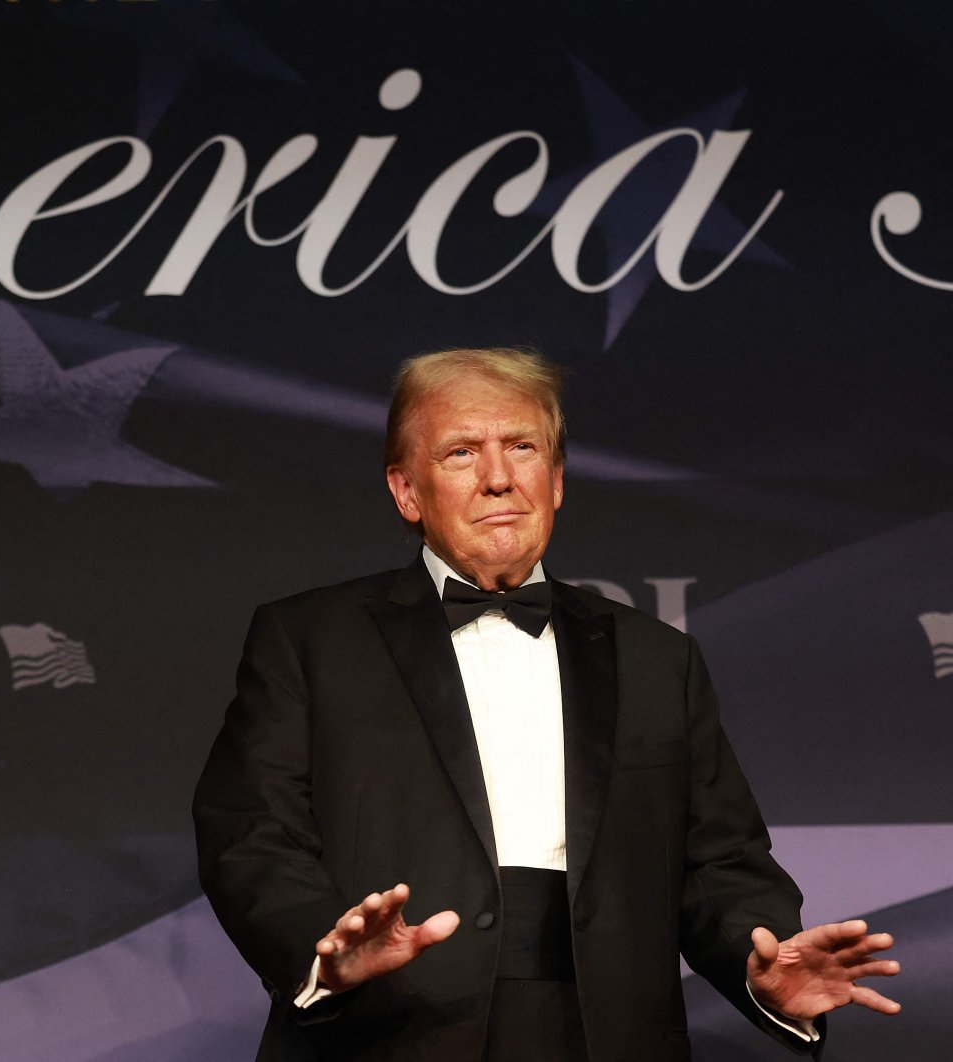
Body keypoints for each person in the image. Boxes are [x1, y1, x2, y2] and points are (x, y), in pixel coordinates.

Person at [192, 348, 901, 1062]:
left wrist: (765, 968)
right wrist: (323, 950)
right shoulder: (310, 638)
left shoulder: (658, 658)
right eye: (462, 452)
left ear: (556, 480)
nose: (499, 478)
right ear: (407, 491)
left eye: (522, 447)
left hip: (609, 1036)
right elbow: (250, 832)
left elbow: (721, 863)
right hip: (386, 1032)